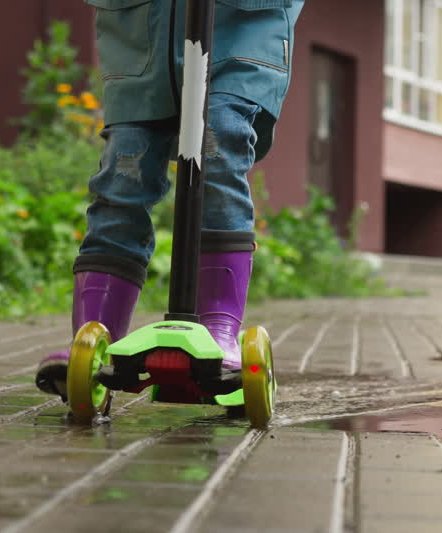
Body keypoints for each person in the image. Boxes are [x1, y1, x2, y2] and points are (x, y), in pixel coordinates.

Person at [36, 0, 305, 399]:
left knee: (218, 142)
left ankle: (220, 329)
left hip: (240, 30)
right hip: (143, 34)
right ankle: (93, 339)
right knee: (123, 172)